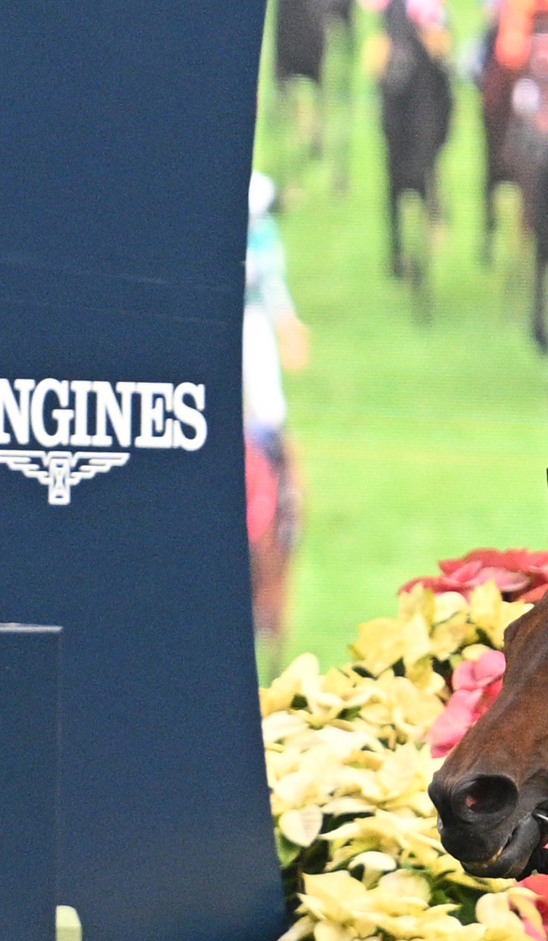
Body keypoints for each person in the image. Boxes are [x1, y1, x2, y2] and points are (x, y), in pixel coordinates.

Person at [244, 173, 310, 668]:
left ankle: (283, 504)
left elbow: (274, 290)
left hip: (254, 332)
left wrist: (287, 327)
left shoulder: (264, 239)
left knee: (271, 418)